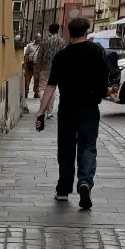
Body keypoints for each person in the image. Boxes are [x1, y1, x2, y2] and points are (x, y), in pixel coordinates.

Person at [35, 18, 109, 209]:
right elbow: (104, 80)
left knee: (66, 149)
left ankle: (63, 190)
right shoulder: (96, 52)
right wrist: (102, 93)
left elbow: (51, 86)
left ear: (69, 33)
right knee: (88, 147)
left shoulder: (62, 55)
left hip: (67, 109)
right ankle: (84, 183)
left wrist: (41, 112)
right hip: (89, 108)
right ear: (86, 32)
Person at [33, 20, 63, 99]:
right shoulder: (61, 41)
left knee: (43, 88)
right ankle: (49, 106)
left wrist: (37, 68)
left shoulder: (44, 41)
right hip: (57, 68)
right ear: (58, 30)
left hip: (45, 67)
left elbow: (40, 55)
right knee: (52, 88)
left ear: (49, 30)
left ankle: (43, 104)